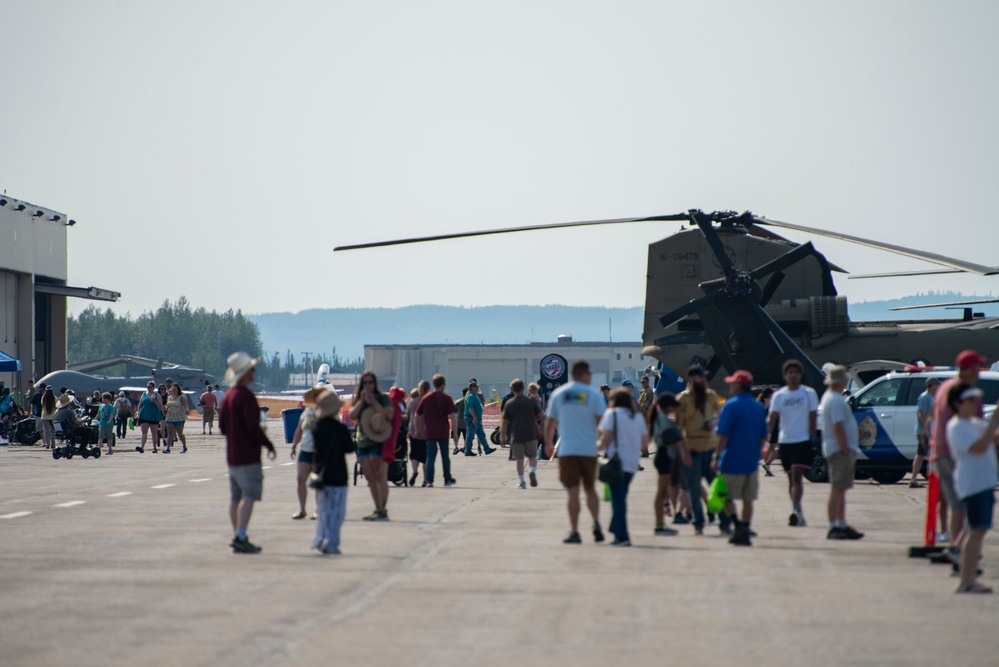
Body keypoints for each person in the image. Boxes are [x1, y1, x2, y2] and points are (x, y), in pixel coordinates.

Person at [931, 350, 987, 564]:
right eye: (977, 368)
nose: (979, 372)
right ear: (969, 369)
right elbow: (977, 424)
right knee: (968, 506)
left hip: (940, 452)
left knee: (956, 505)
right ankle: (960, 549)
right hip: (958, 454)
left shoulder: (944, 387)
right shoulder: (967, 392)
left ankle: (956, 547)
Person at [219, 352, 276, 554]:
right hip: (248, 457)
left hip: (232, 457)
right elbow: (254, 427)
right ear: (245, 373)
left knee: (235, 498)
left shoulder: (227, 397)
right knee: (249, 496)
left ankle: (237, 535)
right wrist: (268, 444)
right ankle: (241, 535)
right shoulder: (246, 397)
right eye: (252, 369)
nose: (254, 372)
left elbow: (223, 428)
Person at [544, 360, 606, 544]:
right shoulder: (593, 395)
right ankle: (595, 523)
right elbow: (603, 421)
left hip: (568, 450)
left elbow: (550, 423)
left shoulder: (559, 394)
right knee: (590, 489)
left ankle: (575, 531)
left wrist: (548, 443)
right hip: (589, 449)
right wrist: (603, 441)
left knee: (572, 492)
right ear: (584, 374)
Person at [946, 382, 999, 593]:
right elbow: (979, 446)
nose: (973, 404)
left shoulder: (973, 423)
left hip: (984, 483)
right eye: (969, 400)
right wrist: (994, 418)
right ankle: (967, 581)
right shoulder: (957, 426)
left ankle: (968, 578)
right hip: (973, 484)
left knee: (978, 530)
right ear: (957, 403)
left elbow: (993, 439)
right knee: (975, 531)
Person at [712, 370, 768, 547]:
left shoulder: (730, 406)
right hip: (751, 461)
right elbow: (763, 435)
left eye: (732, 383)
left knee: (724, 496)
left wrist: (716, 457)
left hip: (731, 460)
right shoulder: (758, 406)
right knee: (748, 499)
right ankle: (744, 528)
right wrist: (758, 452)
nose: (730, 386)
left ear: (739, 385)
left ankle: (737, 525)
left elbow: (723, 435)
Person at [676, 365, 731, 535]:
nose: (703, 380)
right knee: (693, 489)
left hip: (710, 448)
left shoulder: (711, 395)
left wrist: (714, 423)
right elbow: (679, 429)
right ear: (691, 379)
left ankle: (724, 522)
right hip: (692, 449)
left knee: (717, 487)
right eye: (700, 377)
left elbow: (721, 415)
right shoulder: (683, 400)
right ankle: (698, 522)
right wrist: (683, 453)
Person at [768, 359, 819, 527]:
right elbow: (772, 418)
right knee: (791, 479)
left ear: (800, 375)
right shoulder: (779, 395)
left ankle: (796, 510)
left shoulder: (809, 393)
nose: (793, 375)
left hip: (803, 441)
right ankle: (798, 511)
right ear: (785, 375)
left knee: (797, 475)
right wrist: (765, 436)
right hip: (786, 442)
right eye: (790, 372)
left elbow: (813, 418)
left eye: (796, 372)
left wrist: (812, 439)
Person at [598, 387, 649, 546]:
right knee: (620, 497)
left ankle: (622, 535)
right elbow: (644, 443)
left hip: (616, 461)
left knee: (618, 501)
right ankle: (616, 528)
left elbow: (605, 438)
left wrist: (596, 446)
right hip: (632, 463)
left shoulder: (611, 415)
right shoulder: (637, 417)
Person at [820, 365, 864, 540]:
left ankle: (841, 523)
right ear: (841, 381)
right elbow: (838, 427)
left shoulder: (831, 397)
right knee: (837, 488)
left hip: (838, 449)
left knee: (840, 489)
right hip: (839, 451)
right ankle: (834, 526)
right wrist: (845, 448)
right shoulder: (836, 400)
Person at [310, 388, 355, 555]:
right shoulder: (338, 428)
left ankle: (320, 539)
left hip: (321, 472)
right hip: (338, 474)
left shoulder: (316, 427)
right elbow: (350, 448)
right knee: (337, 512)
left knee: (324, 510)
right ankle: (331, 542)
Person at [348, 371, 394, 520]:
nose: (368, 385)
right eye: (365, 382)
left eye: (370, 382)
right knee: (369, 476)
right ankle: (377, 508)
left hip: (379, 440)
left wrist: (374, 402)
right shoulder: (359, 399)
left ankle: (382, 508)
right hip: (363, 441)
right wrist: (362, 401)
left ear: (375, 384)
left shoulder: (382, 398)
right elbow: (352, 415)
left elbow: (389, 415)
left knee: (380, 474)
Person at [650, 393, 690, 536]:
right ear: (668, 407)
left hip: (662, 456)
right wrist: (683, 452)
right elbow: (670, 439)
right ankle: (659, 525)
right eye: (673, 406)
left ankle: (660, 523)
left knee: (662, 492)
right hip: (664, 456)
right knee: (661, 493)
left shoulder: (659, 417)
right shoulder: (664, 420)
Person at [415, 374, 459, 488]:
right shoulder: (446, 398)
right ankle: (447, 478)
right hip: (443, 431)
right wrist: (455, 433)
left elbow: (417, 415)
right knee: (445, 456)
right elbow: (453, 416)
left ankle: (430, 480)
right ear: (443, 384)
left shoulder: (426, 398)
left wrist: (418, 429)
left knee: (430, 456)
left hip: (430, 432)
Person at [289, 386, 325, 520]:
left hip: (319, 452)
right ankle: (302, 510)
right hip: (305, 449)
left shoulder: (326, 412)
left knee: (318, 481)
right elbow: (299, 430)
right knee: (300, 479)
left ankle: (318, 510)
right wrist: (293, 445)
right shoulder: (306, 412)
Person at [501, 379, 543, 489]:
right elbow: (540, 415)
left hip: (516, 435)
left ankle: (522, 481)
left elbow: (505, 422)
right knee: (532, 456)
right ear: (523, 389)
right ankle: (532, 470)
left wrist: (502, 436)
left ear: (512, 389)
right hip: (530, 434)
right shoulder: (530, 402)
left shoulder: (509, 403)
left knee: (519, 459)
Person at [911, 376, 940, 488]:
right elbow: (921, 414)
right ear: (932, 385)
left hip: (928, 431)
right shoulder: (924, 397)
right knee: (922, 455)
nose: (938, 386)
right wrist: (926, 428)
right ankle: (914, 479)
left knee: (922, 454)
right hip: (924, 431)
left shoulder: (931, 397)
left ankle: (914, 479)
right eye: (937, 384)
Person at [463, 382, 496, 456]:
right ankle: (468, 451)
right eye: (476, 387)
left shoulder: (475, 395)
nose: (478, 388)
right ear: (472, 388)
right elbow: (470, 407)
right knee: (470, 434)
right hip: (472, 418)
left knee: (481, 434)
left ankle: (487, 449)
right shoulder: (471, 396)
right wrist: (474, 417)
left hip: (477, 418)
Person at [407, 382, 430, 486]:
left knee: (414, 454)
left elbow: (407, 414)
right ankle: (425, 479)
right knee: (425, 456)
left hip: (414, 431)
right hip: (426, 431)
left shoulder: (412, 402)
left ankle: (415, 471)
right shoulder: (428, 401)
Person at [134, 381, 164, 453]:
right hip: (144, 415)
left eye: (150, 387)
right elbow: (140, 404)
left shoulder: (157, 395)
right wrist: (138, 412)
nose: (148, 388)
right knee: (144, 432)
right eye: (147, 387)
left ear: (153, 388)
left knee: (154, 432)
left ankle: (154, 447)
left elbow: (160, 406)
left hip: (153, 416)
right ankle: (142, 447)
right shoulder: (144, 394)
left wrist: (155, 402)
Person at [757, 387, 778, 476]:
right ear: (769, 394)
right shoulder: (768, 401)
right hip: (773, 427)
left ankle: (767, 468)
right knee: (778, 448)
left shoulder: (760, 402)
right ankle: (767, 464)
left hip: (768, 427)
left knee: (770, 448)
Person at [163, 384, 189, 454]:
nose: (173, 390)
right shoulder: (169, 398)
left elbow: (185, 406)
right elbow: (167, 406)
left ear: (178, 389)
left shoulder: (181, 397)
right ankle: (168, 448)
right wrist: (164, 409)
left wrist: (186, 412)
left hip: (179, 418)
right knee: (170, 433)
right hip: (170, 417)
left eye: (175, 389)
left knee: (180, 434)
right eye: (172, 389)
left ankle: (184, 446)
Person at [453, 387, 468, 455]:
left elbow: (453, 411)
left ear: (462, 394)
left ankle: (456, 447)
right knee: (466, 436)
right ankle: (465, 447)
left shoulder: (458, 402)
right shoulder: (469, 401)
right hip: (466, 422)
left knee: (456, 435)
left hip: (458, 421)